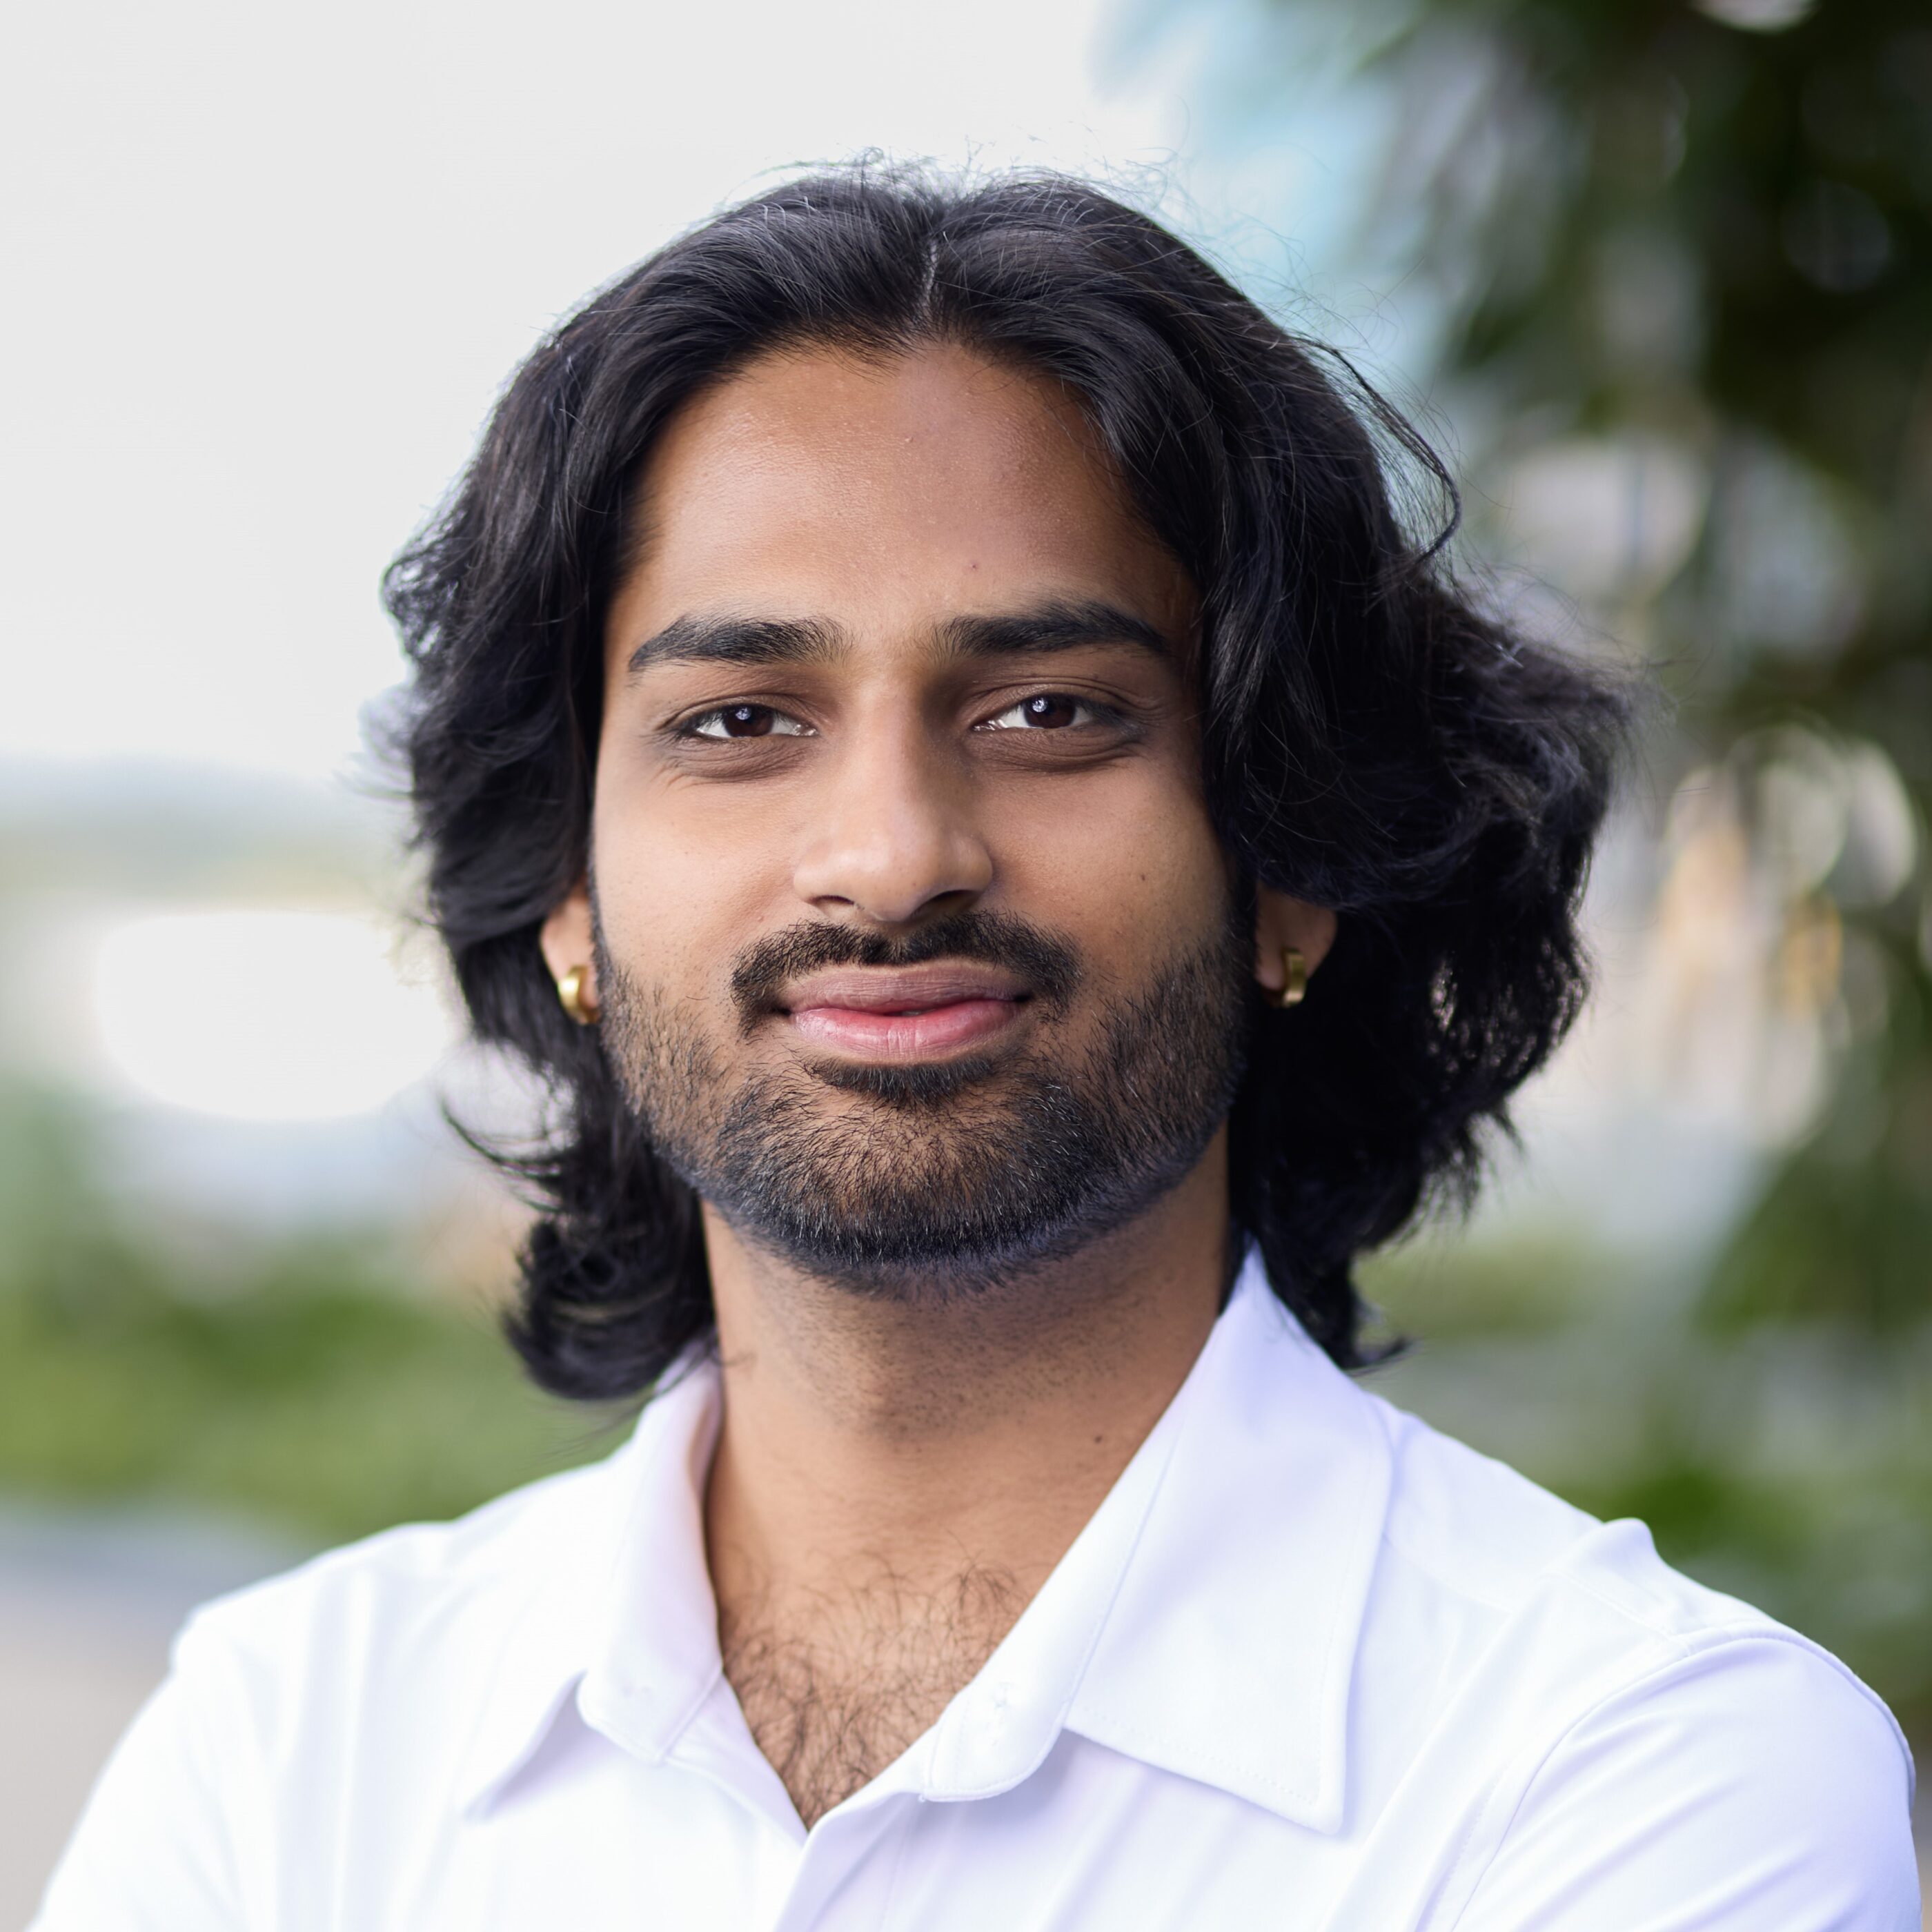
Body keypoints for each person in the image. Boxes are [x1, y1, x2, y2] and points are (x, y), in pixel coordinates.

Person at [34, 167, 1918, 1930]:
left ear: (1292, 868)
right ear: (570, 900)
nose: (890, 853)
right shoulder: (286, 1746)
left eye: (1047, 711)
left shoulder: (1638, 1771)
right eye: (740, 720)